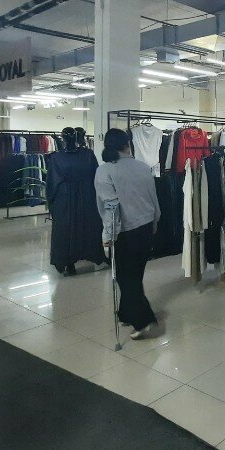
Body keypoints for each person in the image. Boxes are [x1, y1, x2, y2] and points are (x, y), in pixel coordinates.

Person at [94, 128, 162, 340]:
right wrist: (155, 223)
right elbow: (154, 199)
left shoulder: (105, 171)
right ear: (127, 144)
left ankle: (143, 320)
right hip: (145, 227)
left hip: (124, 232)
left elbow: (111, 208)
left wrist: (108, 237)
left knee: (125, 278)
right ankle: (125, 313)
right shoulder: (142, 167)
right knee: (135, 274)